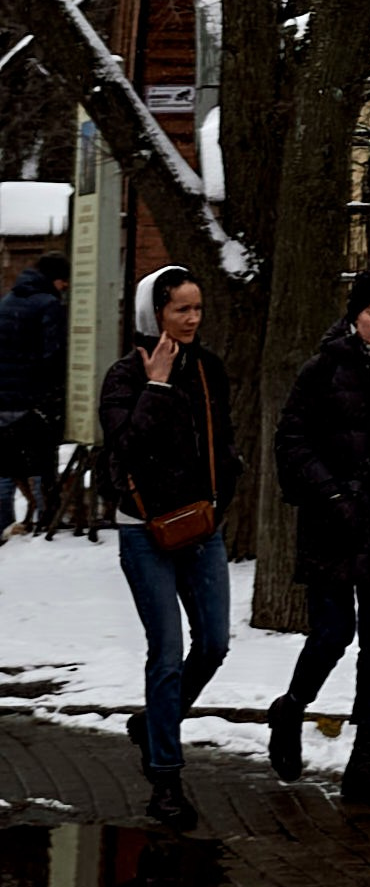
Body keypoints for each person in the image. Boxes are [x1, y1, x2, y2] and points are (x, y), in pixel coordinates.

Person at [270, 267, 370, 814]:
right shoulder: (322, 370)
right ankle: (292, 708)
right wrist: (334, 496)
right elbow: (292, 441)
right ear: (354, 316)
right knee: (334, 632)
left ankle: (364, 758)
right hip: (333, 527)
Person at [96, 264, 239, 831]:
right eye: (182, 308)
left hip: (201, 527)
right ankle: (165, 778)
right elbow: (125, 446)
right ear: (154, 313)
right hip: (145, 531)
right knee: (166, 651)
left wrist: (222, 497)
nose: (192, 318)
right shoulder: (125, 375)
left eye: (197, 308)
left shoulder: (208, 368)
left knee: (214, 643)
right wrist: (155, 386)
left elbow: (222, 441)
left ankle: (154, 722)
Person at [0, 249, 69, 538]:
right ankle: (43, 527)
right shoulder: (48, 305)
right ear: (55, 279)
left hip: (3, 398)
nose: (65, 288)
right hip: (30, 399)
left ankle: (3, 528)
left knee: (5, 466)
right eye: (64, 282)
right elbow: (53, 355)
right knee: (41, 464)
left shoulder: (8, 300)